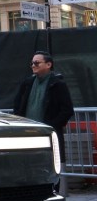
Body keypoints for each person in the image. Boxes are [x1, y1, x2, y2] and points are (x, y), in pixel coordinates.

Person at [12, 51, 74, 180]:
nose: (33, 65)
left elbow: (67, 110)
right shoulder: (27, 83)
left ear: (48, 64)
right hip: (26, 134)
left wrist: (50, 127)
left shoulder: (58, 84)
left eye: (36, 63)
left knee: (49, 168)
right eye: (32, 63)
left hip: (48, 134)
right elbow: (18, 105)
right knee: (27, 166)